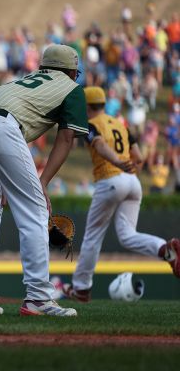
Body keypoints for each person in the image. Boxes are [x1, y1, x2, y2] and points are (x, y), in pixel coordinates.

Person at [0, 45, 88, 317]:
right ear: (73, 71)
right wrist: (44, 182)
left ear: (43, 67)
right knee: (36, 212)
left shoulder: (23, 81)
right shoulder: (71, 88)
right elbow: (65, 139)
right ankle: (38, 298)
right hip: (2, 127)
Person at [62, 87, 180, 302]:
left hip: (110, 179)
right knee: (127, 235)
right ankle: (165, 249)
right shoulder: (120, 124)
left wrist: (116, 161)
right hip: (133, 182)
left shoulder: (92, 123)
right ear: (104, 104)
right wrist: (128, 165)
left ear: (87, 106)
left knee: (92, 237)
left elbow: (98, 144)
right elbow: (139, 156)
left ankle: (81, 288)